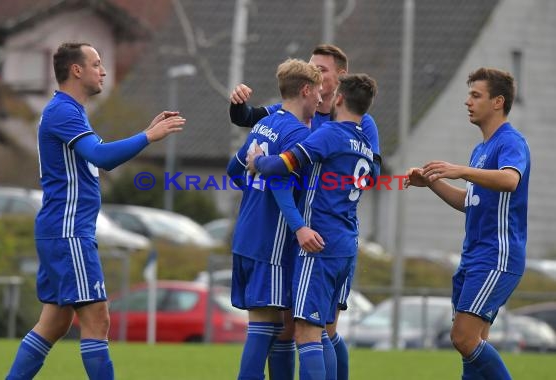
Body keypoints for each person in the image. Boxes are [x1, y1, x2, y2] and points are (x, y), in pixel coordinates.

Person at [5, 42, 186, 380]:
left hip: (63, 231)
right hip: (68, 231)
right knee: (97, 319)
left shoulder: (72, 112)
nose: (103, 71)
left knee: (55, 322)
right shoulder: (62, 111)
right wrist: (147, 136)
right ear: (77, 70)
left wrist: (145, 133)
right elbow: (101, 158)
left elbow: (98, 151)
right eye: (97, 64)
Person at [230, 44, 380, 380]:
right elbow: (249, 118)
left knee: (315, 329)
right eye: (312, 69)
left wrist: (259, 169)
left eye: (322, 70)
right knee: (291, 327)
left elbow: (276, 169)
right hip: (319, 236)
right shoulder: (297, 119)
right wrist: (237, 107)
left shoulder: (335, 129)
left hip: (314, 235)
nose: (317, 77)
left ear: (339, 84)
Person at [405, 67, 530, 379]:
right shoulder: (481, 149)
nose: (467, 102)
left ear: (498, 102)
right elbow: (469, 202)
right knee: (472, 346)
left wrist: (459, 170)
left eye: (476, 95)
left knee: (463, 338)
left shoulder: (510, 142)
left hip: (496, 257)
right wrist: (432, 182)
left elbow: (509, 180)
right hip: (474, 256)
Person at [227, 58, 325, 380]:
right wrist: (298, 226)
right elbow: (282, 186)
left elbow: (233, 169)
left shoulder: (264, 124)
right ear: (306, 91)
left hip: (246, 233)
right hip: (269, 241)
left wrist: (256, 191)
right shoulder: (297, 134)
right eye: (319, 93)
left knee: (273, 325)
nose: (321, 100)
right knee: (262, 328)